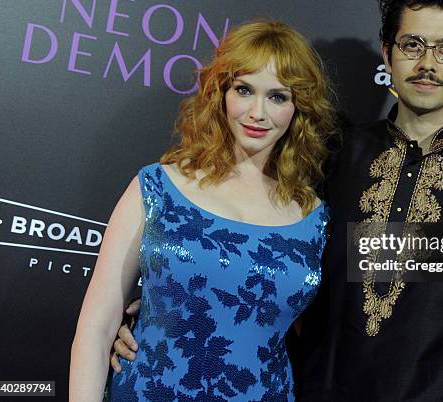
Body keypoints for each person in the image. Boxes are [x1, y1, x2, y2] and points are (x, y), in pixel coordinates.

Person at [112, 0, 443, 401]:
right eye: (412, 45)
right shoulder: (336, 153)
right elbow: (255, 245)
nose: (427, 64)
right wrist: (159, 309)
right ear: (388, 52)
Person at [69, 20, 337, 401]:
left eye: (278, 96)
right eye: (244, 90)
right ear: (221, 93)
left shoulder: (315, 218)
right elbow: (96, 327)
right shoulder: (157, 187)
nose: (257, 112)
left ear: (299, 108)